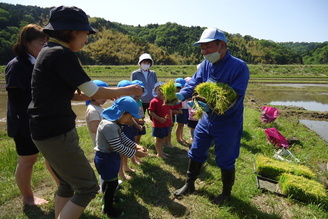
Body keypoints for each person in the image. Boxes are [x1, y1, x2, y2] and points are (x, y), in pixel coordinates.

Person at [27, 6, 143, 219]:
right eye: (84, 34)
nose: (86, 39)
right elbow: (93, 90)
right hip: (56, 132)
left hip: (44, 130)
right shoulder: (62, 54)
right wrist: (127, 90)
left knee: (66, 183)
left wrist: (107, 94)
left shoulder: (48, 51)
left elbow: (70, 93)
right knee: (88, 187)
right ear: (70, 31)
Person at [173, 28, 250, 205]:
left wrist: (215, 107)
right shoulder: (206, 64)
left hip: (228, 122)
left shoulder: (239, 67)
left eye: (208, 47)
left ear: (221, 45)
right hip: (206, 119)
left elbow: (236, 95)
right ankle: (189, 184)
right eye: (202, 48)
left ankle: (226, 193)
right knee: (196, 150)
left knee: (226, 157)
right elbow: (194, 82)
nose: (204, 52)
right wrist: (182, 95)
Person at [5, 24, 59, 206]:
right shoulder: (17, 66)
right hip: (24, 123)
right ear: (26, 42)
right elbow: (17, 99)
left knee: (52, 155)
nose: (44, 45)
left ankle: (62, 186)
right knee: (28, 160)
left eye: (46, 42)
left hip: (42, 120)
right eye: (40, 42)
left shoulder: (39, 63)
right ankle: (28, 198)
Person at [94, 96, 148, 217]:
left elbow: (122, 138)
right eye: (130, 117)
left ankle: (109, 198)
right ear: (122, 113)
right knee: (111, 184)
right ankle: (108, 209)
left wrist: (135, 146)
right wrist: (135, 153)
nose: (130, 121)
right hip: (105, 159)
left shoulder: (115, 123)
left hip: (111, 157)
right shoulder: (109, 125)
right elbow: (118, 146)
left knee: (110, 182)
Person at [85, 79, 109, 191]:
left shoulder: (99, 107)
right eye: (103, 95)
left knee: (108, 165)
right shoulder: (93, 110)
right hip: (101, 144)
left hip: (106, 142)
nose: (105, 98)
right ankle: (104, 188)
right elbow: (94, 128)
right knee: (104, 167)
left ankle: (110, 182)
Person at [148, 81, 172, 158]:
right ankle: (159, 153)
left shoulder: (166, 100)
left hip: (166, 123)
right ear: (155, 91)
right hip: (158, 125)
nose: (161, 91)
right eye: (159, 89)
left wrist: (170, 120)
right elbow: (151, 112)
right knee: (159, 140)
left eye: (163, 89)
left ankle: (161, 152)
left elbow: (170, 110)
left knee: (162, 139)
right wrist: (159, 118)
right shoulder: (154, 101)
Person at [130, 53, 158, 118]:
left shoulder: (153, 73)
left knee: (154, 116)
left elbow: (156, 85)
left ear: (150, 64)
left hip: (151, 99)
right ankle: (141, 128)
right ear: (140, 63)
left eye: (148, 63)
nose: (146, 64)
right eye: (144, 62)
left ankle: (155, 128)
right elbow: (132, 86)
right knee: (140, 117)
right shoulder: (135, 74)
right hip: (140, 100)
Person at [174, 78, 190, 146]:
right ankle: (178, 138)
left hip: (186, 109)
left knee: (182, 125)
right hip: (181, 110)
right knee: (179, 125)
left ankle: (181, 137)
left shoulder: (184, 92)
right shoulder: (177, 94)